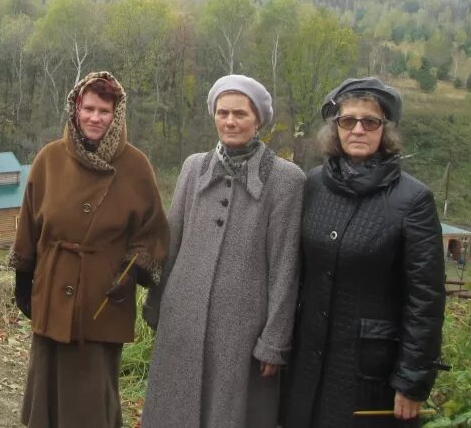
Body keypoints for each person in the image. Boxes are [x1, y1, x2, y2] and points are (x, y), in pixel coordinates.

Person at [142, 74, 305, 428]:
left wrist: (274, 341)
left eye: (240, 114)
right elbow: (171, 244)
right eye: (222, 112)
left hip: (242, 334)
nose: (230, 121)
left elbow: (285, 267)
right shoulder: (193, 167)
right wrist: (156, 305)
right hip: (180, 321)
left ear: (258, 119)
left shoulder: (286, 180)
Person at [282, 78, 445, 427]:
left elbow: (425, 300)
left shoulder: (412, 200)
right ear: (335, 127)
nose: (358, 129)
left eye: (370, 121)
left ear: (385, 130)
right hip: (307, 364)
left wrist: (412, 380)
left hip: (369, 371)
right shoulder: (313, 185)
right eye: (347, 120)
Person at [9, 71, 169, 428]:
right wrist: (23, 276)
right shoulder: (49, 159)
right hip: (52, 291)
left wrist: (132, 272)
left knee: (91, 401)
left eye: (105, 111)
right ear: (75, 109)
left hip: (103, 299)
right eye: (89, 109)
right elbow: (30, 224)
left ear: (117, 115)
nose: (95, 118)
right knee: (47, 395)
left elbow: (153, 231)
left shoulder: (136, 166)